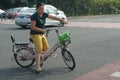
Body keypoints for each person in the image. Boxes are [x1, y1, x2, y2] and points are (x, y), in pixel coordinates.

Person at [30, 2, 67, 73]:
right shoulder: (34, 16)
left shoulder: (44, 14)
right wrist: (42, 30)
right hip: (35, 34)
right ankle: (38, 66)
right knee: (39, 50)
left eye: (43, 8)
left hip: (41, 34)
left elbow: (52, 17)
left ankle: (40, 59)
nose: (42, 10)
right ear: (37, 8)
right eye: (40, 8)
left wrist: (61, 20)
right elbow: (32, 27)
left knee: (46, 48)